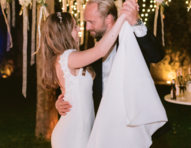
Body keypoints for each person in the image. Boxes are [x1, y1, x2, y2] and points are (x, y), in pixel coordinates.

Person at [56, 0, 164, 115]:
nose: (87, 27)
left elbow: (156, 56)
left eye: (91, 22)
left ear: (108, 19)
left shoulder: (132, 37)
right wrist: (62, 101)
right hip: (102, 116)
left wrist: (136, 23)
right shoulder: (93, 48)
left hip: (133, 114)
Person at [41, 11, 128, 148]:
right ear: (65, 33)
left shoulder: (68, 57)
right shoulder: (68, 57)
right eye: (75, 27)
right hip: (73, 132)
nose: (79, 29)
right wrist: (123, 17)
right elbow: (100, 51)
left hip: (82, 128)